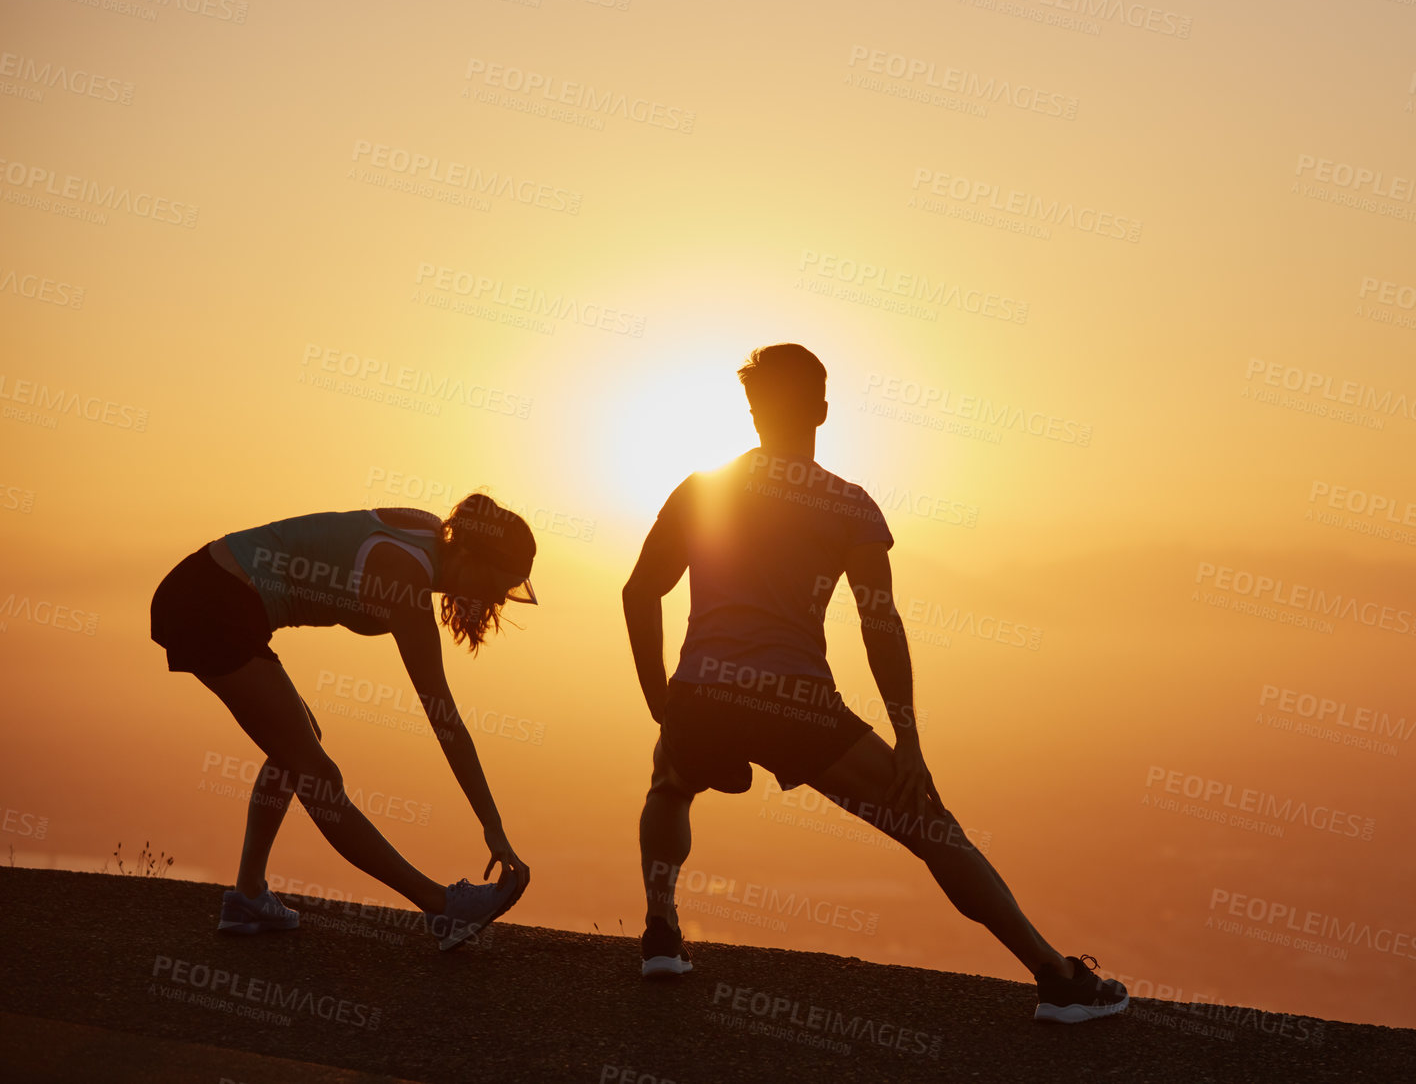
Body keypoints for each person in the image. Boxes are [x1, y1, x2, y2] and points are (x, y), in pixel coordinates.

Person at [622, 344, 1127, 1022]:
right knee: (929, 826)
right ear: (823, 411)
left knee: (669, 781)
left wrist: (664, 704)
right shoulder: (849, 507)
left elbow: (638, 592)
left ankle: (660, 933)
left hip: (702, 692)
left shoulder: (700, 489)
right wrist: (908, 739)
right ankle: (1057, 981)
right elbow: (879, 624)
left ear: (753, 411)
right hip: (795, 701)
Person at [150, 493, 535, 950]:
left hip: (216, 596)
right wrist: (492, 826)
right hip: (211, 605)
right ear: (471, 555)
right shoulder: (407, 584)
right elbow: (444, 719)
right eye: (498, 584)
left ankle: (249, 895)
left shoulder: (431, 538)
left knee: (299, 742)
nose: (497, 600)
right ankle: (441, 908)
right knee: (319, 776)